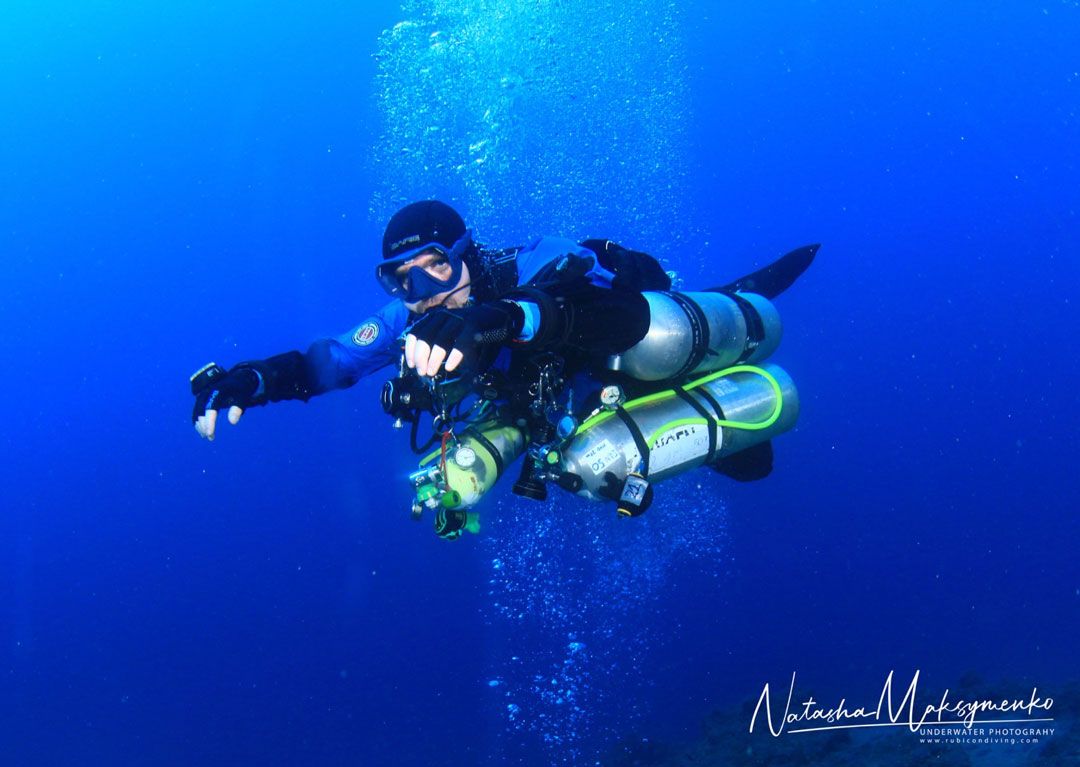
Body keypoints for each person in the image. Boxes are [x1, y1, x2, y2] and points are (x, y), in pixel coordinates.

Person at [191, 200, 669, 442]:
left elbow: (625, 318)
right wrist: (260, 378)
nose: (425, 295)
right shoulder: (411, 316)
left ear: (466, 255)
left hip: (656, 372)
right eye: (403, 280)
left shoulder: (535, 263)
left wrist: (501, 318)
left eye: (436, 265)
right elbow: (334, 360)